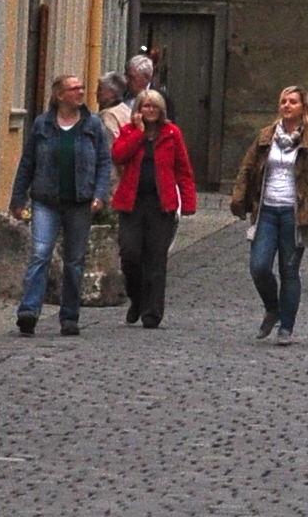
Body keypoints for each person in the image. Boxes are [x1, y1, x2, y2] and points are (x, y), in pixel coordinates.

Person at [231, 83, 308, 341]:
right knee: (259, 267)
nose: (287, 106)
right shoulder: (265, 137)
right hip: (267, 210)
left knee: (289, 271)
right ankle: (272, 308)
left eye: (292, 101)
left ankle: (286, 327)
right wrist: (239, 200)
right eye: (283, 101)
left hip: (296, 214)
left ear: (303, 108)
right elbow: (247, 169)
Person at [11, 69, 113, 339]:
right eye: (74, 89)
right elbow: (28, 162)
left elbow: (104, 162)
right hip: (46, 200)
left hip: (80, 201)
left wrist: (100, 194)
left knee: (74, 262)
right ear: (59, 95)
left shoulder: (92, 125)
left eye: (81, 88)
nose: (81, 92)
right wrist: (18, 198)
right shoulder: (42, 125)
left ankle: (69, 316)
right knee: (40, 253)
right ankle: (29, 311)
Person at [110, 86, 198, 328]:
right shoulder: (128, 132)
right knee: (130, 254)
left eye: (154, 106)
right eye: (145, 106)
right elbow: (118, 156)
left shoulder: (172, 133)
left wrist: (188, 201)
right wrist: (138, 133)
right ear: (138, 110)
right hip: (132, 203)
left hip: (162, 205)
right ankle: (136, 299)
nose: (150, 110)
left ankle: (152, 312)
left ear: (161, 111)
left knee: (156, 259)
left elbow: (183, 169)